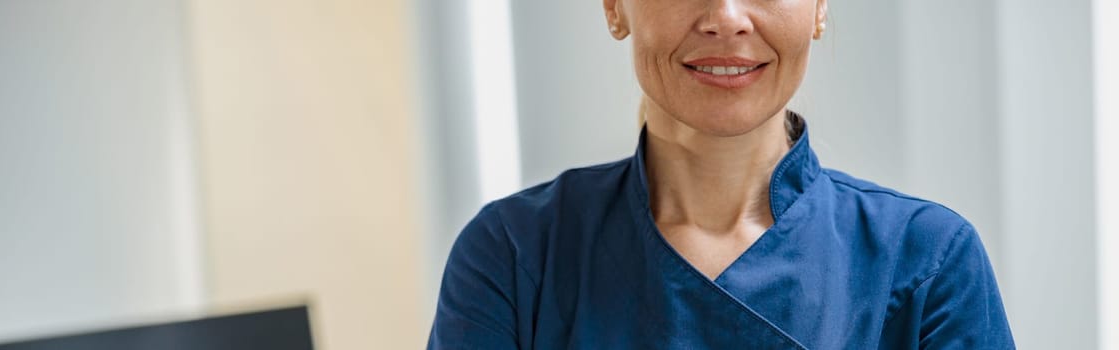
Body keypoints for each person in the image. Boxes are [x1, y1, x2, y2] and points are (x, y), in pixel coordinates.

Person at [428, 0, 1015, 348]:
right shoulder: (515, 254)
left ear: (819, 7)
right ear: (614, 6)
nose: (727, 18)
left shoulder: (925, 259)